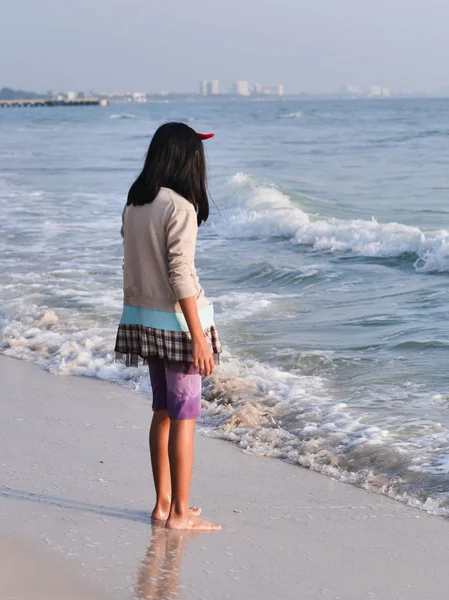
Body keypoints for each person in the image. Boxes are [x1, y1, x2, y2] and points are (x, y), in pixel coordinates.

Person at [115, 122, 222, 531]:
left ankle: (163, 505)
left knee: (162, 412)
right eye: (198, 152)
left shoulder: (135, 205)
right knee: (185, 417)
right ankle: (179, 513)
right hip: (178, 327)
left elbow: (132, 267)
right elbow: (180, 274)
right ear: (184, 157)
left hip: (144, 321)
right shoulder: (180, 207)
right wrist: (199, 337)